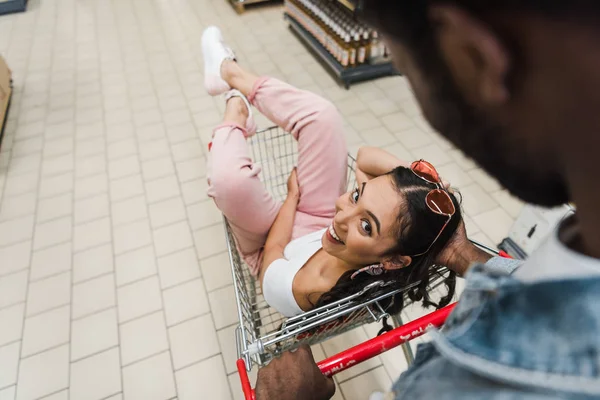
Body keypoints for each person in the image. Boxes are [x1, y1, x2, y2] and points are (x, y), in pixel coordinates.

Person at [252, 1, 600, 399]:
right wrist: (462, 253)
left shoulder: (468, 382)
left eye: (404, 68)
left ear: (470, 55)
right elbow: (532, 282)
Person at [202, 26, 465, 319]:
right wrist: (423, 187)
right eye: (356, 195)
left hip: (272, 247)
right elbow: (365, 159)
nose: (341, 214)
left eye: (367, 226)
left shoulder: (306, 288)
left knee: (231, 182)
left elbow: (275, 246)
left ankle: (235, 109)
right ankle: (231, 74)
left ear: (392, 260)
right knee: (323, 117)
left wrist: (291, 198)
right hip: (319, 228)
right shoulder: (379, 240)